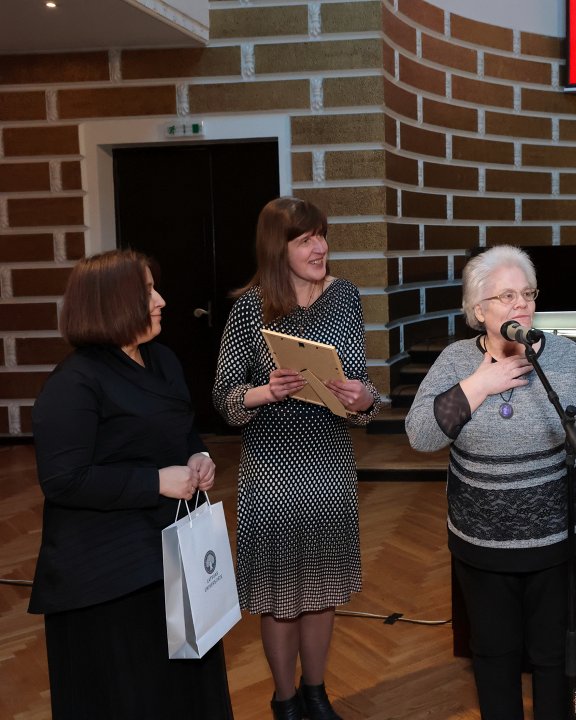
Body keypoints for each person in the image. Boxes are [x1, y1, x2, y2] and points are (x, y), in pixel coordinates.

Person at [405, 244, 576, 719]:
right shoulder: (454, 362)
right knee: (494, 657)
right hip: (481, 545)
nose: (521, 305)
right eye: (506, 296)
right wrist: (480, 385)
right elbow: (420, 435)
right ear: (478, 310)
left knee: (554, 658)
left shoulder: (566, 358)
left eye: (527, 293)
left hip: (557, 539)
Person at [29, 249, 233, 719]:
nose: (160, 299)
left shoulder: (161, 359)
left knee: (184, 690)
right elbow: (64, 480)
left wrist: (198, 456)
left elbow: (178, 429)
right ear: (110, 303)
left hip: (168, 555)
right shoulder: (73, 383)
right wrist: (156, 481)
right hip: (107, 577)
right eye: (146, 292)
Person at [213, 197, 380, 720]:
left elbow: (361, 381)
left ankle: (316, 692)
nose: (321, 247)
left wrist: (364, 399)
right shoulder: (249, 307)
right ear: (276, 247)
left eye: (323, 235)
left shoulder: (346, 297)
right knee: (281, 593)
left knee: (322, 587)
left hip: (328, 461)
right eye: (306, 239)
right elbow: (223, 396)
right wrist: (268, 391)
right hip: (272, 468)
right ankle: (284, 701)